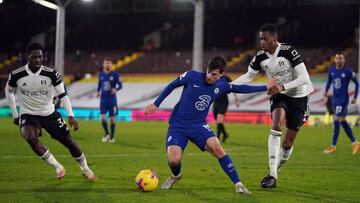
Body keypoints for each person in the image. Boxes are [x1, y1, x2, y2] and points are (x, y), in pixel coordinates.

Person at [145, 56, 276, 194]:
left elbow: (240, 88)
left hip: (198, 126)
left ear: (221, 75)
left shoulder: (222, 85)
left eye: (214, 74)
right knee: (174, 160)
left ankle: (238, 184)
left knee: (218, 148)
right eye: (208, 71)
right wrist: (156, 104)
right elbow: (172, 85)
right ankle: (176, 175)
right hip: (178, 125)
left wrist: (265, 86)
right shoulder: (191, 76)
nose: (209, 76)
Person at [232, 23, 312, 188]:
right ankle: (272, 175)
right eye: (260, 39)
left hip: (299, 97)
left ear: (275, 39)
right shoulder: (260, 56)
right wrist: (229, 86)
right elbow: (248, 76)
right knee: (276, 125)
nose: (261, 42)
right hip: (279, 95)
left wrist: (282, 86)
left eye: (265, 39)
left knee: (288, 144)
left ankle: (275, 170)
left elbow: (305, 78)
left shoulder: (288, 51)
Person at [5, 42, 97, 180]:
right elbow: (9, 91)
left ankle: (85, 168)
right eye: (34, 57)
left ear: (43, 57)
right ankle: (57, 166)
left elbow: (63, 94)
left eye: (40, 57)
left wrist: (71, 116)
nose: (37, 60)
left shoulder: (51, 74)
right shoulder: (17, 75)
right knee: (30, 137)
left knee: (69, 142)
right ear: (27, 57)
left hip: (49, 114)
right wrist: (15, 114)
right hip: (28, 114)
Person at [323, 52, 359, 154]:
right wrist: (326, 91)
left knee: (336, 120)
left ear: (344, 60)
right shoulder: (331, 70)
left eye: (340, 58)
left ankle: (333, 146)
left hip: (343, 99)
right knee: (342, 120)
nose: (338, 60)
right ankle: (355, 142)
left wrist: (355, 97)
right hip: (335, 99)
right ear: (335, 60)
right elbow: (329, 81)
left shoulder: (348, 71)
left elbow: (357, 83)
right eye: (337, 58)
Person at [97, 58, 123, 143]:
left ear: (111, 65)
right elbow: (99, 84)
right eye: (106, 63)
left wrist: (116, 89)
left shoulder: (115, 74)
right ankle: (107, 133)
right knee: (103, 118)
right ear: (103, 65)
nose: (107, 65)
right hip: (103, 100)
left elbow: (120, 85)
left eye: (109, 63)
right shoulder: (100, 74)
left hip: (112, 100)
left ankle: (112, 136)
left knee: (112, 119)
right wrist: (98, 91)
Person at [212, 74, 240, 142]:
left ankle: (217, 138)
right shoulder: (213, 77)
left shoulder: (226, 78)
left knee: (219, 120)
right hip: (216, 101)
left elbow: (233, 87)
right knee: (217, 121)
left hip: (223, 101)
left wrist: (237, 99)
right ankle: (225, 134)